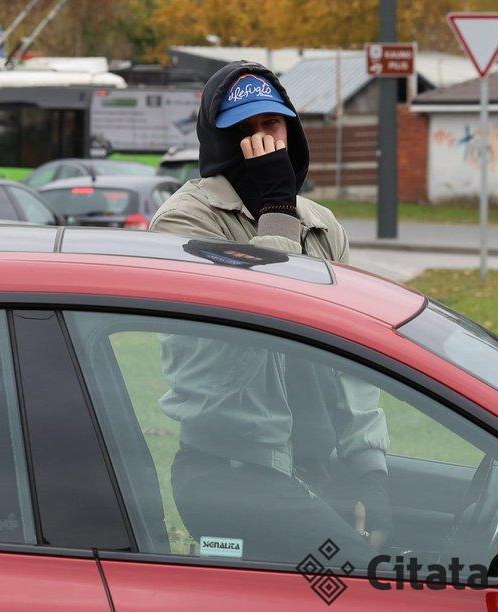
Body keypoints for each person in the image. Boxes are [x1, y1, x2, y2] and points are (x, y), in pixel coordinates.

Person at [150, 61, 391, 565]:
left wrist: (369, 465)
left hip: (316, 461)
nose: (263, 142)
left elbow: (353, 358)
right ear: (220, 140)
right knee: (355, 577)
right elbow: (246, 338)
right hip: (233, 470)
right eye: (244, 130)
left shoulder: (321, 225)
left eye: (271, 125)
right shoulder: (184, 222)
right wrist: (276, 215)